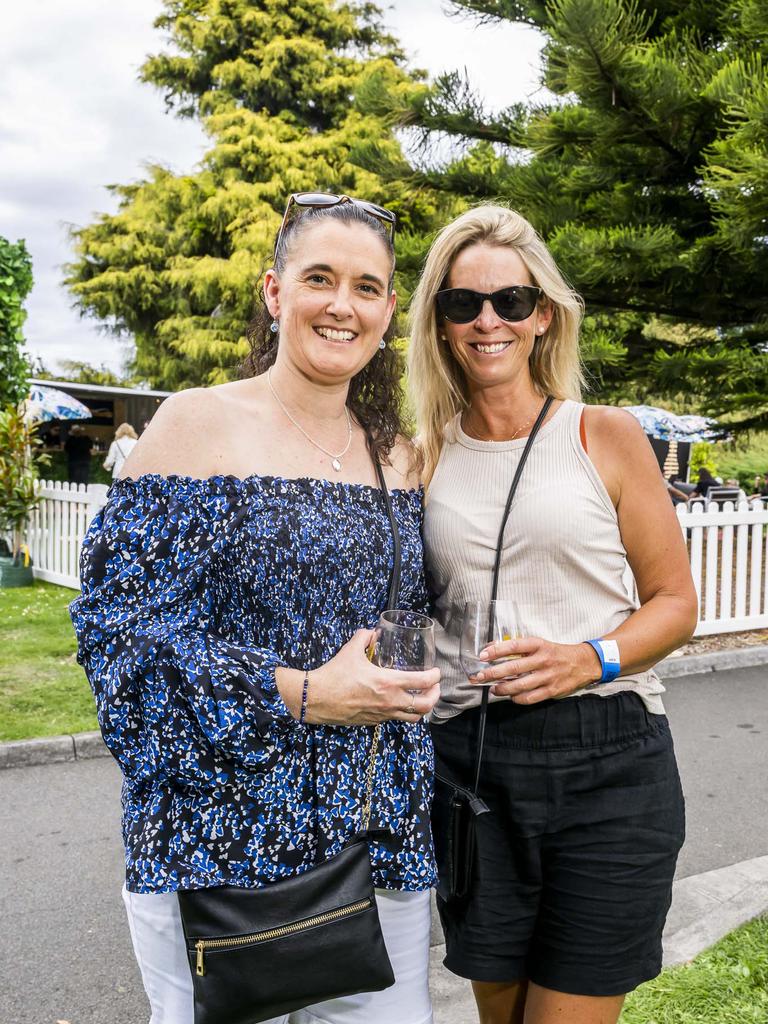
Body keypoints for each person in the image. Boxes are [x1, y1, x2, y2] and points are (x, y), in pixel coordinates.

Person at [70, 193, 441, 1024]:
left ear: (388, 311)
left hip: (373, 846)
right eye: (319, 278)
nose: (341, 305)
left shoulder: (400, 457)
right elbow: (116, 643)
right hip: (217, 854)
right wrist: (302, 694)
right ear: (275, 293)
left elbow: (408, 620)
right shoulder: (193, 425)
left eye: (367, 287)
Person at [408, 205, 698, 1024]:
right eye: (462, 304)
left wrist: (591, 657)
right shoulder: (420, 455)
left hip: (610, 762)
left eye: (509, 299)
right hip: (474, 767)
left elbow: (675, 604)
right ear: (439, 322)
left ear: (544, 313)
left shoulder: (604, 435)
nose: (487, 320)